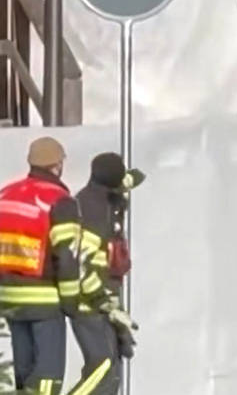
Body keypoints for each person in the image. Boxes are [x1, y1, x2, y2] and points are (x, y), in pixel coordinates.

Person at [0, 136, 81, 395]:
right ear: (57, 165)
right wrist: (71, 302)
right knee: (48, 376)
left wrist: (1, 278)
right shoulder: (59, 201)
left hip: (10, 299)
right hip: (46, 301)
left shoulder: (3, 196)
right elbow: (67, 256)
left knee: (24, 374)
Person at [67, 152, 146, 395]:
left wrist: (134, 177)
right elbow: (86, 267)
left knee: (112, 373)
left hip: (103, 296)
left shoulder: (102, 194)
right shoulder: (93, 212)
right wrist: (108, 306)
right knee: (103, 369)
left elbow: (130, 180)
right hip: (89, 302)